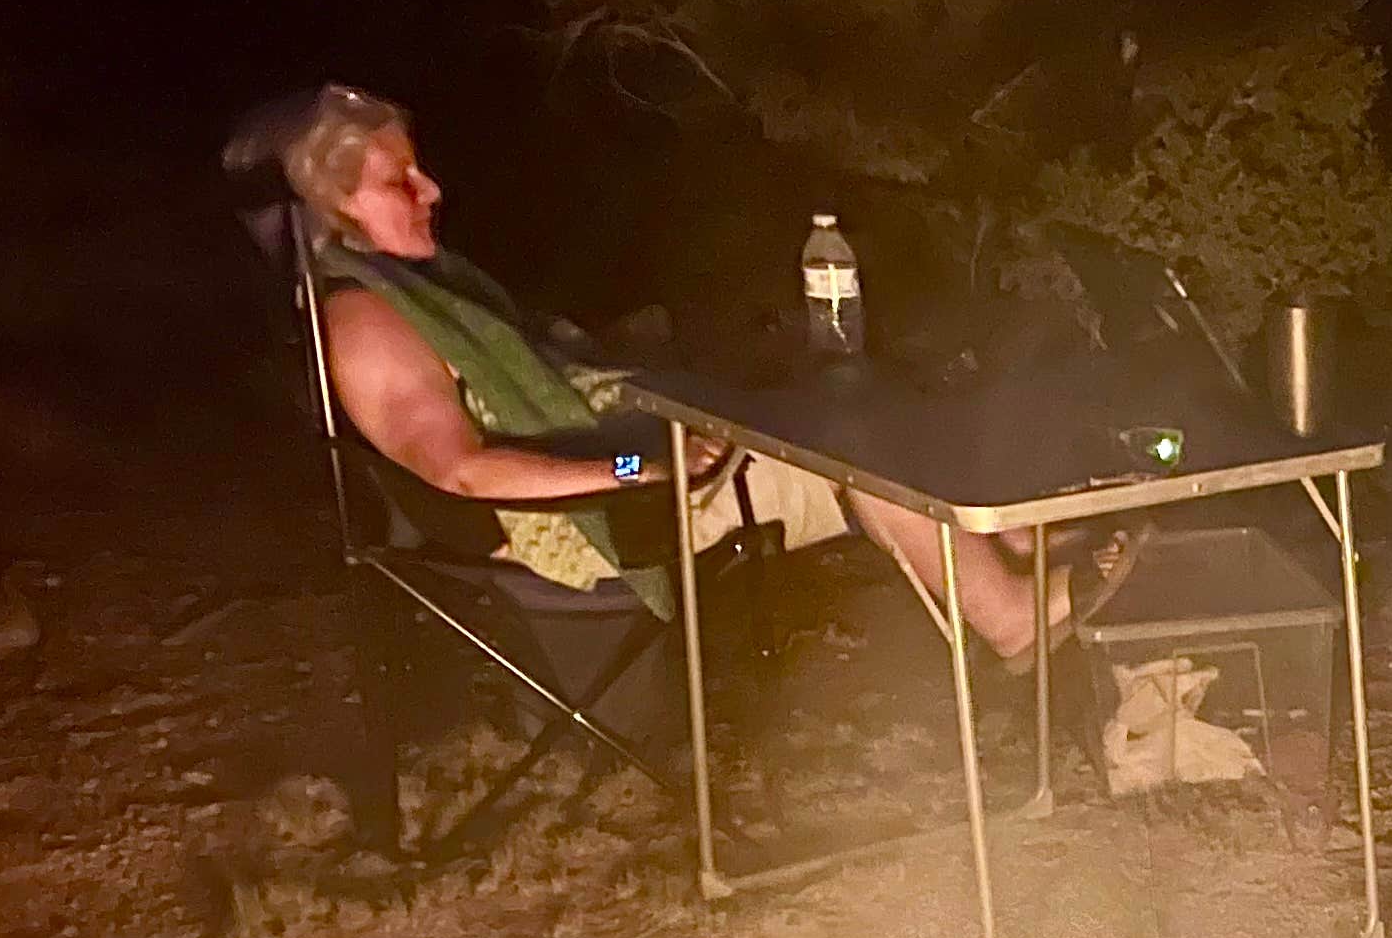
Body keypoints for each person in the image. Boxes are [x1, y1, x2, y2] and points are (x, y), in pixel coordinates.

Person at [263, 85, 1108, 665]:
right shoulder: (367, 322)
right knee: (850, 435)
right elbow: (459, 467)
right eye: (397, 180)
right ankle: (1008, 621)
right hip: (608, 514)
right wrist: (644, 466)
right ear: (337, 205)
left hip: (638, 453)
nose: (430, 187)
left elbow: (543, 376)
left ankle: (1009, 542)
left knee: (846, 388)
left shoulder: (425, 287)